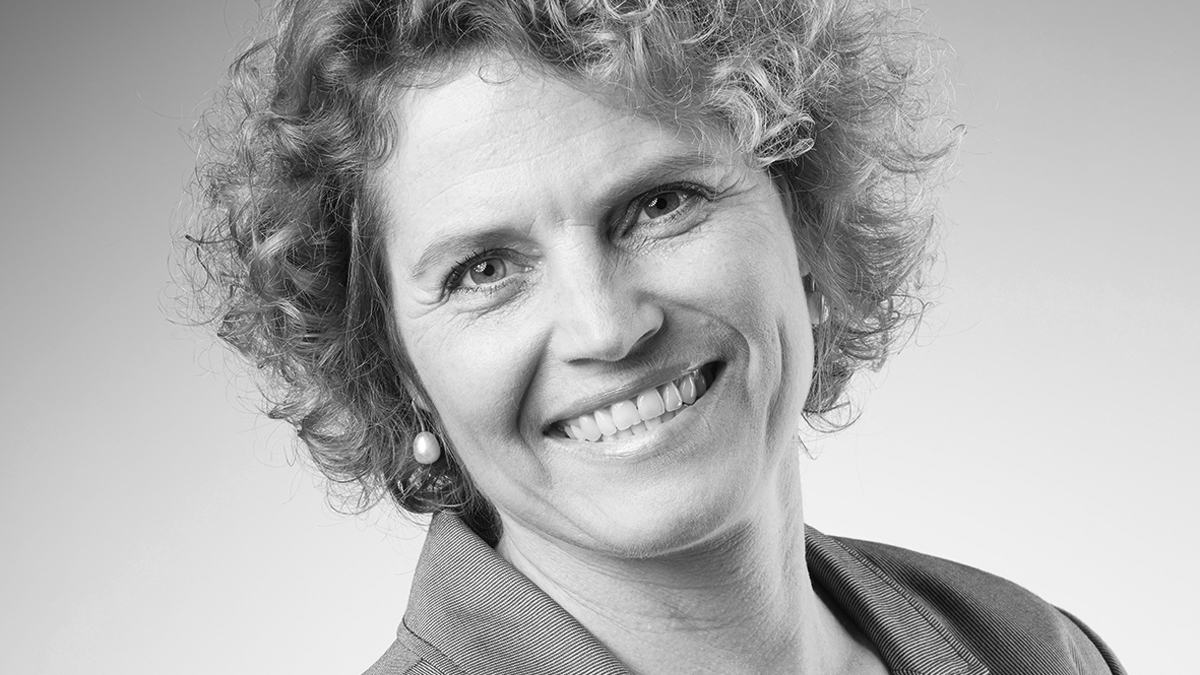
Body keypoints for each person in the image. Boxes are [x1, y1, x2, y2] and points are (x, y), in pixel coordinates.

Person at [187, 0, 1126, 673]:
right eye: (485, 270)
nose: (606, 327)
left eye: (661, 204)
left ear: (803, 218)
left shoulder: (1030, 648)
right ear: (395, 366)